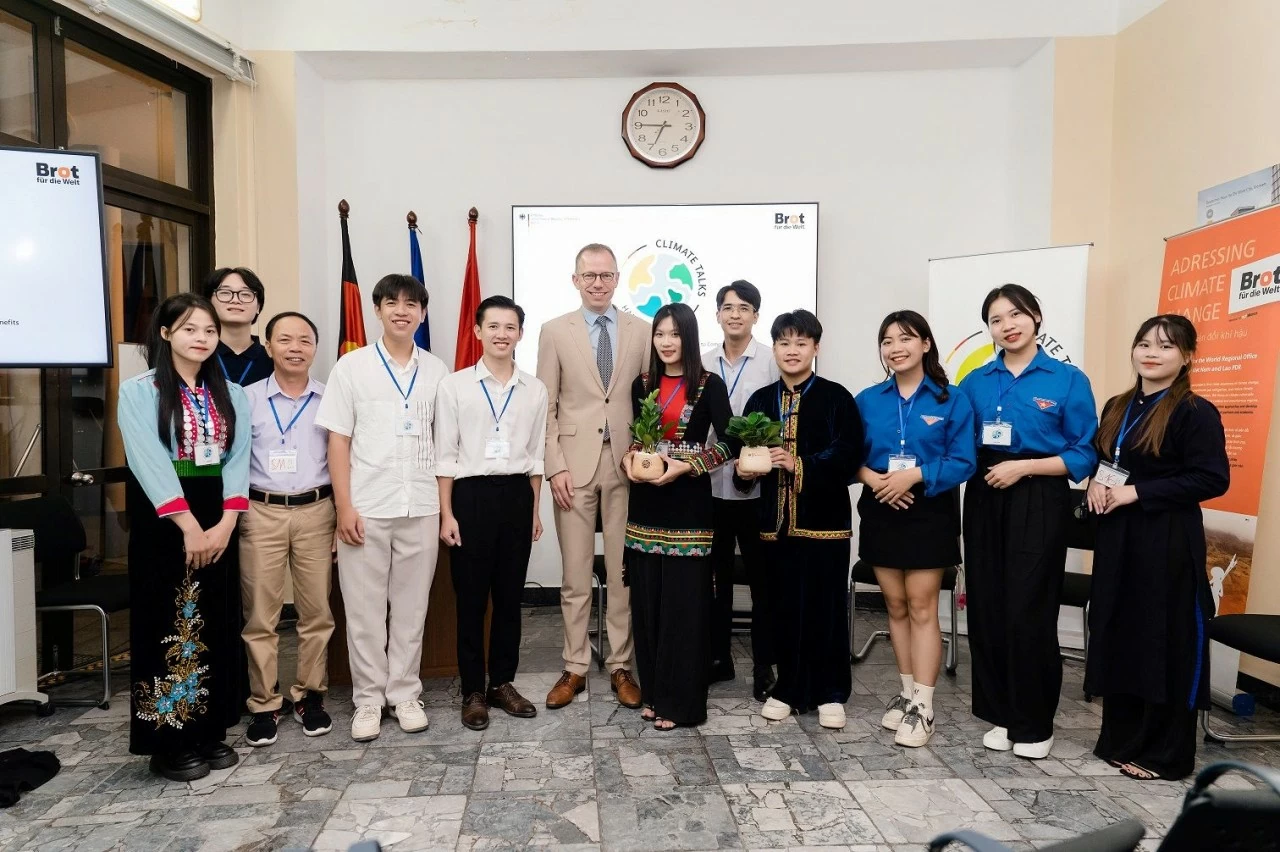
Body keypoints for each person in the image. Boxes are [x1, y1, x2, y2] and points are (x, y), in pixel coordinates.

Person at [1085, 315, 1228, 781]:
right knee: (1122, 634)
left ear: (1187, 356)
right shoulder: (1117, 405)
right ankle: (1122, 739)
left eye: (1165, 347)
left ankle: (1165, 753)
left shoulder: (1195, 411)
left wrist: (1137, 493)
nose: (1151, 353)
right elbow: (1106, 457)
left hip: (1165, 541)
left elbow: (1212, 478)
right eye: (1143, 344)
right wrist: (1093, 483)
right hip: (1117, 539)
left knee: (1163, 641)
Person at [958, 284, 1098, 760]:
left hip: (1038, 494)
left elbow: (1084, 451)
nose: (1007, 325)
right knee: (988, 606)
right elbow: (960, 445)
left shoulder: (1066, 379)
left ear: (1036, 316)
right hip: (983, 494)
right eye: (996, 319)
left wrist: (1026, 467)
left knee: (1029, 609)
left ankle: (1035, 722)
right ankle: (1002, 713)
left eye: (1016, 314)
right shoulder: (975, 381)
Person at [117, 293, 250, 781]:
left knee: (215, 620)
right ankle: (169, 742)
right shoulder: (140, 391)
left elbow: (239, 460)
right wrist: (189, 526)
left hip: (219, 514)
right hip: (165, 519)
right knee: (167, 624)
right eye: (191, 329)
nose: (202, 338)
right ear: (167, 333)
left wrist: (226, 522)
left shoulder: (232, 393)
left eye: (210, 331)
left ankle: (210, 728)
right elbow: (149, 461)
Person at [314, 274, 449, 742]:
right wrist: (344, 508)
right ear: (377, 310)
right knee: (365, 610)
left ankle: (405, 693)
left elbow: (445, 441)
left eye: (411, 305)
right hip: (367, 506)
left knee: (412, 610)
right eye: (391, 303)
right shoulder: (351, 368)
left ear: (422, 314)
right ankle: (369, 700)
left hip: (422, 504)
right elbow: (337, 441)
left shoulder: (438, 370)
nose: (401, 311)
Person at [736, 309, 863, 729]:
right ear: (773, 349)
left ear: (816, 348)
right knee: (781, 607)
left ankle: (831, 692)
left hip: (824, 523)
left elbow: (847, 456)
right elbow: (744, 462)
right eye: (784, 343)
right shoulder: (759, 402)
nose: (792, 351)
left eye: (801, 343)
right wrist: (743, 471)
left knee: (827, 607)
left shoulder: (836, 397)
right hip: (772, 525)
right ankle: (787, 687)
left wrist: (799, 464)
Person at [854, 311, 976, 748]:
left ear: (926, 344)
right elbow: (851, 456)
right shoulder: (868, 399)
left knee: (922, 607)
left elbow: (965, 460)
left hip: (929, 512)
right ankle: (906, 695)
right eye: (887, 341)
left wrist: (915, 476)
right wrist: (879, 482)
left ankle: (925, 706)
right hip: (882, 507)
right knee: (895, 606)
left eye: (905, 338)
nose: (895, 347)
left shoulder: (952, 399)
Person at [536, 243, 649, 710]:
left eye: (606, 275)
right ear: (576, 279)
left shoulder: (641, 331)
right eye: (590, 275)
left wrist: (646, 456)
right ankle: (575, 666)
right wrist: (554, 466)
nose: (598, 283)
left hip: (627, 466)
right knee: (576, 576)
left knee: (624, 574)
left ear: (618, 279)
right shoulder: (553, 331)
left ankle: (621, 665)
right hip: (573, 466)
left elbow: (649, 404)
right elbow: (547, 405)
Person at [436, 296, 549, 731]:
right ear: (478, 331)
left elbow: (536, 458)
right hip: (470, 497)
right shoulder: (456, 385)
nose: (503, 334)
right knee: (470, 600)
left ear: (520, 333)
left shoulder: (534, 389)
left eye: (511, 327)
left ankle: (502, 682)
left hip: (517, 497)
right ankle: (472, 690)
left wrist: (534, 511)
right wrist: (446, 513)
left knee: (508, 599)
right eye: (494, 326)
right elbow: (445, 455)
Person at [622, 303, 734, 729]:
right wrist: (632, 459)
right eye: (659, 334)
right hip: (646, 504)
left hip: (689, 505)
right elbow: (638, 438)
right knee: (648, 605)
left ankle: (682, 704)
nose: (667, 342)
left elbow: (730, 445)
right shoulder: (642, 383)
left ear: (689, 337)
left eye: (675, 334)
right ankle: (653, 694)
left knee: (684, 610)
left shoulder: (709, 384)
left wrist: (687, 466)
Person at [239, 311, 336, 747]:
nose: (296, 348)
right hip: (261, 512)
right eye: (286, 340)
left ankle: (310, 696)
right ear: (269, 346)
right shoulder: (245, 399)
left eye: (305, 341)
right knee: (261, 614)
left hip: (317, 510)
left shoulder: (331, 398)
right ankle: (264, 703)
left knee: (316, 612)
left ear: (315, 349)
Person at [701, 281, 780, 700]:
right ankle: (718, 658)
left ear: (755, 315)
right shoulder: (701, 362)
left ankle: (766, 664)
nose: (735, 314)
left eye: (743, 308)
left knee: (763, 580)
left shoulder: (771, 361)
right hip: (711, 487)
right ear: (716, 314)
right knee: (716, 579)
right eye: (727, 307)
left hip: (758, 492)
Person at [202, 267, 273, 386]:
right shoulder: (198, 355)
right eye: (225, 293)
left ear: (258, 307)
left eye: (245, 294)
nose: (235, 300)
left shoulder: (273, 359)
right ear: (208, 303)